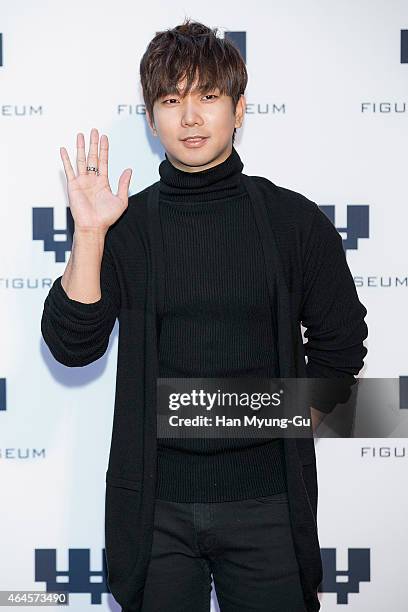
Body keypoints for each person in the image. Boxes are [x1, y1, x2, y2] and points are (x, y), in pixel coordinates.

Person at [41, 18, 368, 612]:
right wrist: (89, 234)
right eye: (171, 100)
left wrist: (265, 425)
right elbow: (72, 345)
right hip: (154, 514)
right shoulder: (125, 226)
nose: (190, 117)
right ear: (151, 118)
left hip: (268, 509)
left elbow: (341, 350)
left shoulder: (292, 222)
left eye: (208, 97)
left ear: (239, 110)